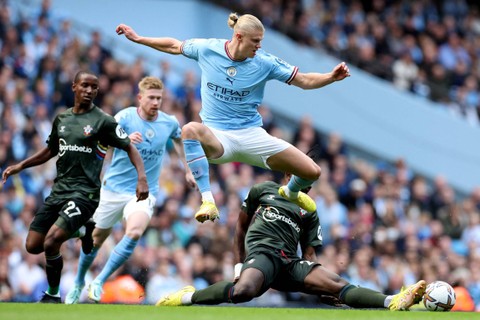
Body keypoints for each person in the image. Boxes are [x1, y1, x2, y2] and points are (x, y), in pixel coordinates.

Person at [115, 12, 351, 223]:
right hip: (217, 138)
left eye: (261, 41)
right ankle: (208, 201)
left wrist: (330, 77)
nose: (259, 46)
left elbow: (304, 81)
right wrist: (139, 39)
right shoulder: (208, 48)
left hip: (251, 135)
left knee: (312, 172)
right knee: (189, 129)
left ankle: (289, 192)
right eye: (255, 41)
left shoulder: (265, 63)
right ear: (238, 36)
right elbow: (174, 46)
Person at [156, 148, 426, 311]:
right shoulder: (263, 190)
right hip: (262, 255)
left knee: (337, 284)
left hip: (289, 263)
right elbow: (240, 228)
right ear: (291, 172)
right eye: (306, 177)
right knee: (243, 292)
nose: (309, 185)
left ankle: (392, 300)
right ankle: (187, 297)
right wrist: (239, 266)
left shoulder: (308, 207)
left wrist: (318, 282)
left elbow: (309, 254)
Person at [1, 71, 149, 303]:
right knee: (33, 246)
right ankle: (83, 230)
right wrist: (21, 165)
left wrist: (142, 178)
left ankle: (52, 294)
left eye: (94, 87)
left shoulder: (104, 121)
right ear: (74, 87)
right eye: (85, 86)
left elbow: (130, 147)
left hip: (85, 194)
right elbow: (51, 150)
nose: (89, 90)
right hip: (59, 191)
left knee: (51, 241)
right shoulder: (62, 119)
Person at [64, 76, 196, 304]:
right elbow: (100, 139)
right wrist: (122, 139)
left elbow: (179, 140)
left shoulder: (169, 122)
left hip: (144, 191)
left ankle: (99, 281)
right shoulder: (124, 117)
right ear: (140, 98)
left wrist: (187, 168)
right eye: (151, 98)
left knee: (134, 232)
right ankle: (78, 282)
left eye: (159, 98)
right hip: (113, 189)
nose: (156, 102)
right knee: (95, 241)